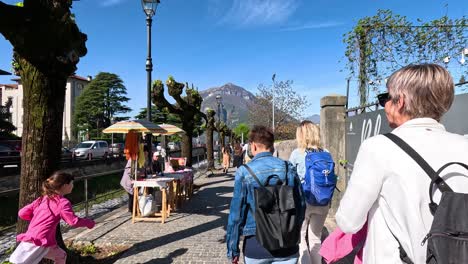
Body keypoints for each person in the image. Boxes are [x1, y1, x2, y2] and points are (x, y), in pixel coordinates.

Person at [336, 64, 468, 263]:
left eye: (385, 98)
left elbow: (348, 222)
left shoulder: (378, 147)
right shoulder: (464, 144)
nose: (384, 105)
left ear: (401, 101)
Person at [226, 126, 305, 264]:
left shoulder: (245, 172)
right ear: (272, 146)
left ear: (254, 146)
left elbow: (236, 216)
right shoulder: (288, 168)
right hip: (288, 244)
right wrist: (292, 230)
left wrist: (233, 249)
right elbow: (301, 206)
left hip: (256, 245)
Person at [10, 172, 95, 264]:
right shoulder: (62, 202)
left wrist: (38, 218)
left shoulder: (42, 199)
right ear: (64, 186)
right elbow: (73, 221)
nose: (73, 186)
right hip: (39, 240)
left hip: (42, 238)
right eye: (72, 183)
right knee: (21, 262)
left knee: (61, 255)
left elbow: (22, 213)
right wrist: (89, 223)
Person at [289, 120, 329, 264]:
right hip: (323, 201)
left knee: (301, 239)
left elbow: (290, 179)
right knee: (316, 238)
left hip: (304, 200)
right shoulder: (326, 153)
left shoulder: (297, 153)